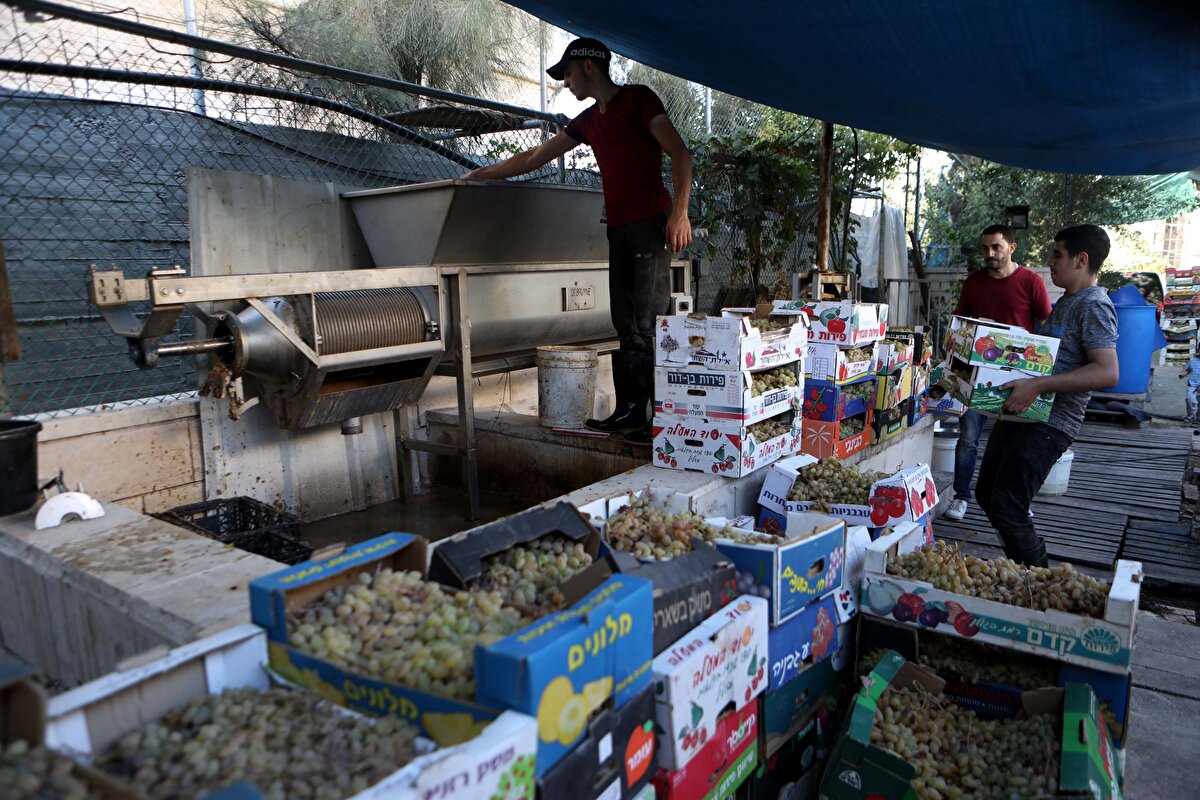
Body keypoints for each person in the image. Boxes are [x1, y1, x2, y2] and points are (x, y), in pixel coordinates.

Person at [462, 37, 692, 443]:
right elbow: (534, 158)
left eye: (567, 73)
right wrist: (477, 175)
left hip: (649, 223)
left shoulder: (638, 100)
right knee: (624, 319)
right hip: (618, 228)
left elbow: (680, 153)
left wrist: (679, 213)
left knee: (647, 320)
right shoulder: (588, 121)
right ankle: (631, 413)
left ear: (589, 65)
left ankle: (662, 419)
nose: (565, 83)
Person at [974, 224, 1119, 566]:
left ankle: (1037, 578)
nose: (1050, 262)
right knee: (986, 494)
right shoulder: (1068, 302)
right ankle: (1022, 564)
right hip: (1023, 412)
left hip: (1051, 424)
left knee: (1008, 505)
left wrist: (1038, 386)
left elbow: (1108, 372)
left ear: (1081, 260)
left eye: (1057, 255)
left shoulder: (1095, 305)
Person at [944, 224, 1052, 520]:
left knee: (1017, 444)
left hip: (1018, 377)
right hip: (975, 375)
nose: (989, 254)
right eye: (985, 248)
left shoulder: (1031, 281)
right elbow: (960, 322)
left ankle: (1016, 501)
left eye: (996, 247)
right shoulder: (974, 282)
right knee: (967, 439)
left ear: (1011, 248)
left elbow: (1047, 325)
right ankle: (961, 497)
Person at [1180, 353, 1200, 423]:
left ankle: (1198, 418)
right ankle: (1191, 416)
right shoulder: (1193, 361)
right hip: (1192, 385)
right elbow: (1188, 370)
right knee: (1190, 400)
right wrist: (1182, 375)